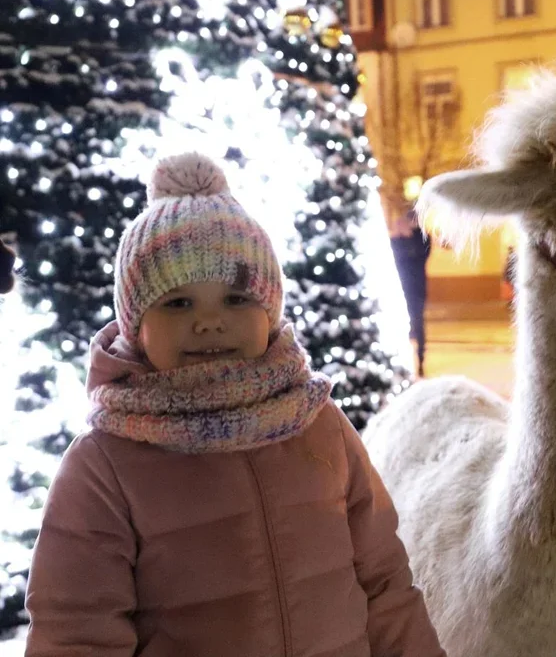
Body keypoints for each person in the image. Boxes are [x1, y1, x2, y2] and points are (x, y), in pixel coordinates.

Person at [24, 153, 445, 657]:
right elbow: (77, 633)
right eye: (178, 303)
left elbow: (385, 586)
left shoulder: (319, 426)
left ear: (270, 311)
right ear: (136, 325)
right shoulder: (104, 466)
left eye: (237, 299)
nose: (209, 322)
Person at [390, 208, 432, 376]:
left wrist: (408, 236)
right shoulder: (395, 240)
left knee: (418, 324)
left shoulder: (420, 239)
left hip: (416, 290)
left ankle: (420, 362)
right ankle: (401, 365)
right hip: (397, 290)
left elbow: (420, 255)